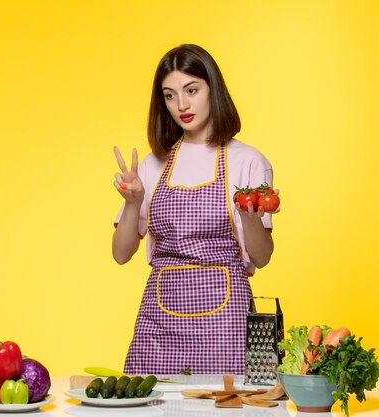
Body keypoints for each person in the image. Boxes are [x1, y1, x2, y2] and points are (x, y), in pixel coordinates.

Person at [112, 44, 278, 375]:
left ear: (211, 89)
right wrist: (132, 204)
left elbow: (262, 257)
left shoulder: (247, 161)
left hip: (226, 323)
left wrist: (249, 219)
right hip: (159, 324)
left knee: (227, 410)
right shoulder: (152, 164)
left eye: (191, 90)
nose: (182, 105)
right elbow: (120, 254)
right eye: (169, 95)